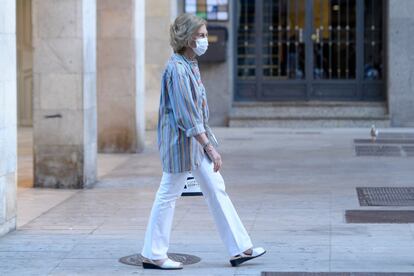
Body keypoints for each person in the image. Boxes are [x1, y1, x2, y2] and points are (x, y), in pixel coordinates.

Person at [140, 13, 266, 270]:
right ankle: (154, 253)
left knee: (215, 189)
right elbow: (187, 115)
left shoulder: (189, 64)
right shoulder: (177, 69)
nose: (205, 40)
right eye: (201, 35)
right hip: (182, 144)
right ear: (186, 38)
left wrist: (206, 143)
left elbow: (196, 112)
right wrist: (209, 146)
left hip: (193, 143)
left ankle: (240, 248)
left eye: (205, 35)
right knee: (168, 194)